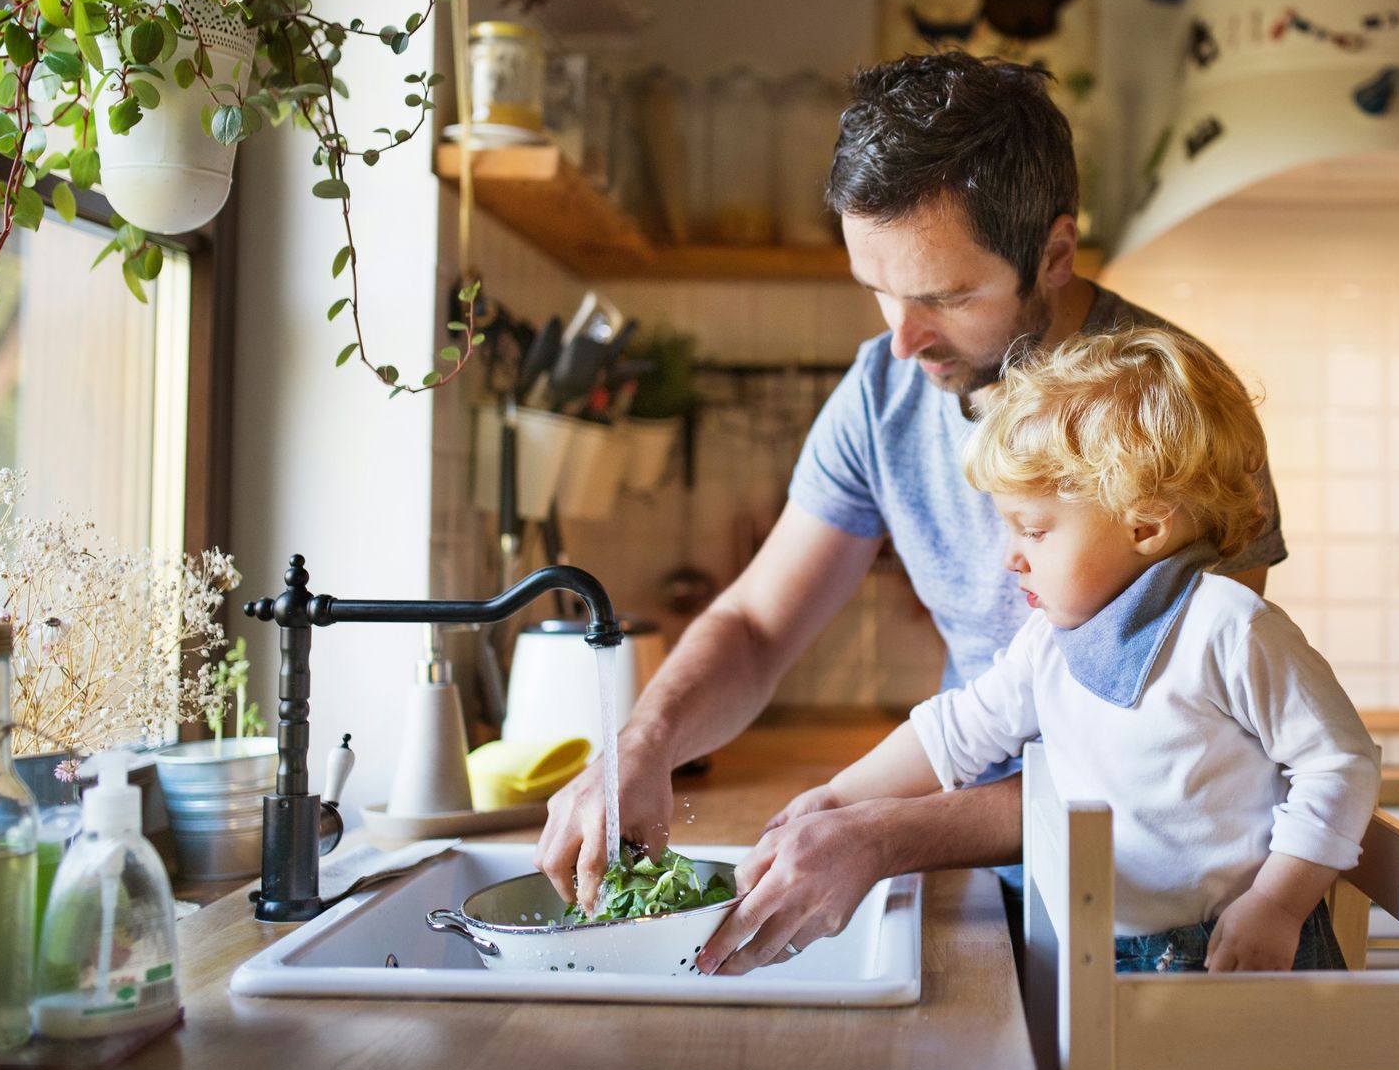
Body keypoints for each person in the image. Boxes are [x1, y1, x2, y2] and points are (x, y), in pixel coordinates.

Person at [536, 50, 1288, 974]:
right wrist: (642, 745)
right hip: (986, 870)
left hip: (1166, 910)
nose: (902, 336)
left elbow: (1171, 756)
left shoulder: (1178, 416)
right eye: (879, 288)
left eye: (944, 296)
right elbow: (758, 624)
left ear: (1053, 255)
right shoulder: (882, 390)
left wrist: (891, 834)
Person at [798, 328, 1379, 972]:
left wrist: (1276, 904)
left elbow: (1340, 766)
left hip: (1235, 948)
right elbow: (957, 731)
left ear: (1145, 526)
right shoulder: (1051, 640)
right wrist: (833, 799)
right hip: (1102, 951)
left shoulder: (1230, 629)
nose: (1010, 557)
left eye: (1034, 529)